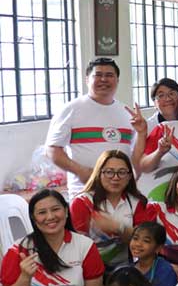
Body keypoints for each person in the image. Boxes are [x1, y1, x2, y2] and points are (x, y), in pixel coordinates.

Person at [46, 57, 146, 200]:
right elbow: (53, 150)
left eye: (109, 75)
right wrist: (81, 171)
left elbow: (135, 159)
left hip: (121, 195)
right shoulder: (71, 109)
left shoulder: (126, 113)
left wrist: (142, 133)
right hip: (85, 193)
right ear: (87, 80)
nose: (104, 79)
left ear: (117, 80)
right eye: (98, 75)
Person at [70, 150, 153, 268]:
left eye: (122, 172)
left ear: (129, 176)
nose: (115, 178)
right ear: (99, 173)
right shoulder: (82, 202)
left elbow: (144, 242)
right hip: (89, 269)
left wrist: (119, 228)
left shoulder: (136, 202)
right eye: (109, 172)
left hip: (126, 269)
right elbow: (76, 247)